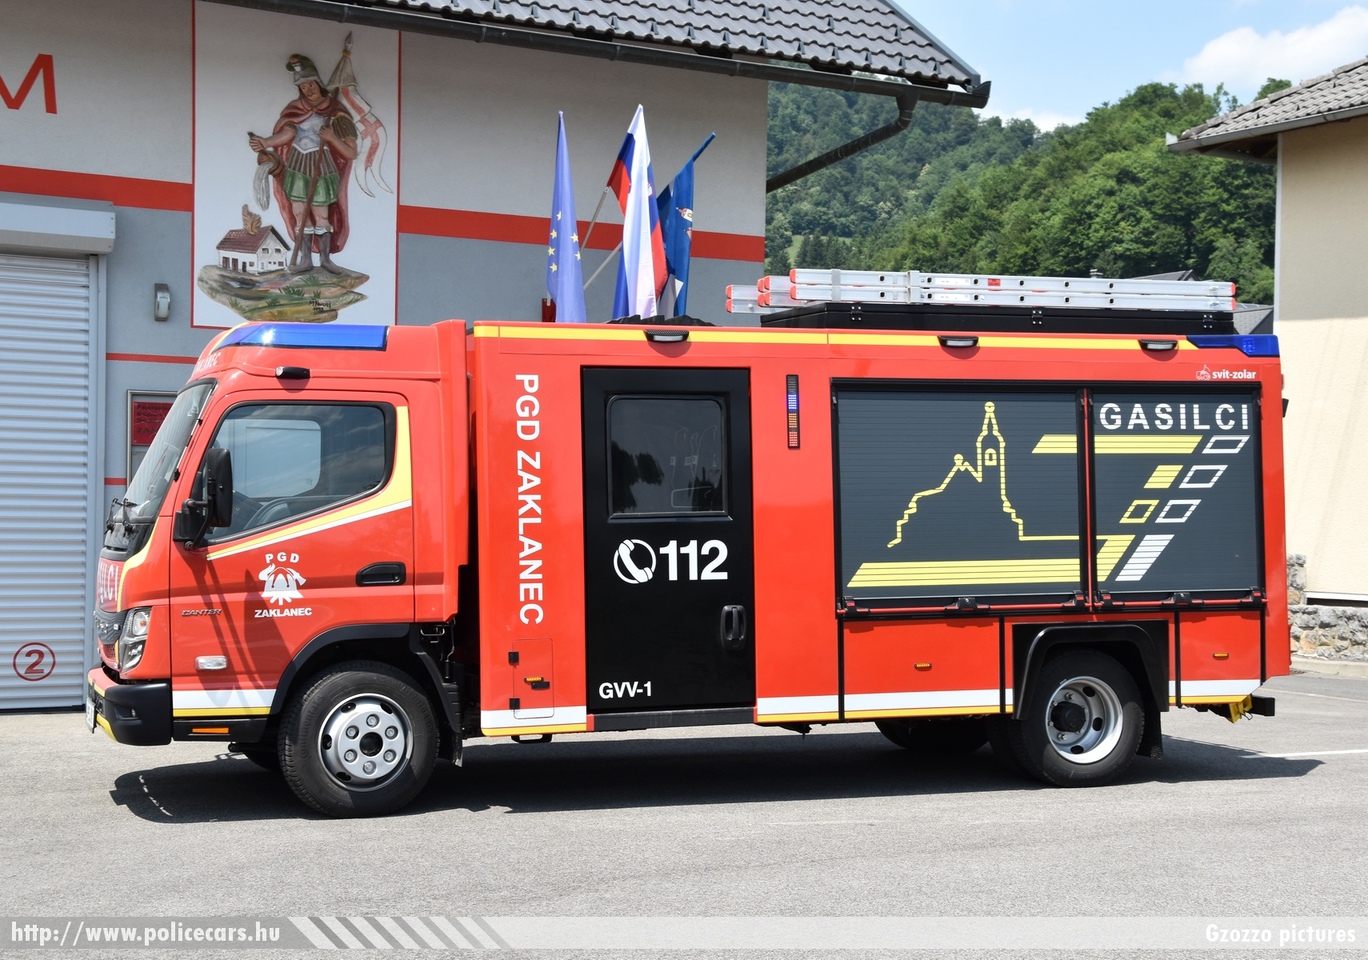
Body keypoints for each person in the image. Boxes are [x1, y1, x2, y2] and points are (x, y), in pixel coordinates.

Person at [248, 54, 358, 274]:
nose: (308, 90)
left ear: (318, 83)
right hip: (298, 166)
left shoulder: (336, 112)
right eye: (303, 86)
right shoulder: (295, 109)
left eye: (311, 85)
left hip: (322, 167)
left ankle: (325, 259)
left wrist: (331, 138)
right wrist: (266, 142)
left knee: (321, 216)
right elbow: (288, 133)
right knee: (299, 213)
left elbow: (351, 152)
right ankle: (305, 259)